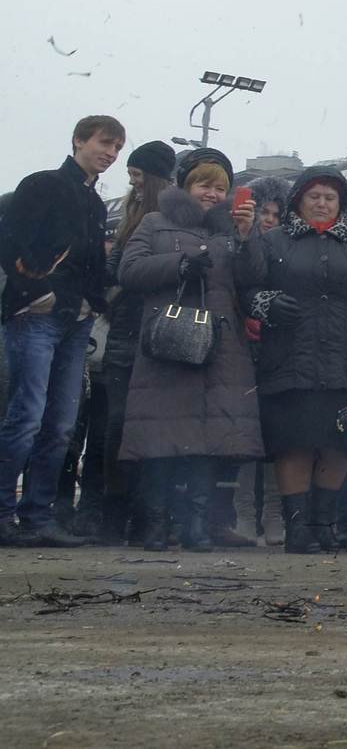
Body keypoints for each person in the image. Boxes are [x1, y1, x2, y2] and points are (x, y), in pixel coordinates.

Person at [115, 148, 264, 551]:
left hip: (219, 347)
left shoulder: (232, 231)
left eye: (221, 187)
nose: (213, 194)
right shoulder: (154, 222)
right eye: (204, 184)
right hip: (169, 344)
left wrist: (249, 238)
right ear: (185, 184)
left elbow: (254, 280)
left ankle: (196, 525)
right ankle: (155, 525)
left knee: (206, 442)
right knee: (161, 441)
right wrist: (180, 264)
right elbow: (128, 271)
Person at [232, 166, 347, 553]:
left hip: (342, 356)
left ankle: (323, 524)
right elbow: (247, 287)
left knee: (338, 442)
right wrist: (267, 304)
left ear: (342, 203)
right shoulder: (274, 240)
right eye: (314, 196)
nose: (322, 203)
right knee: (294, 442)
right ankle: (297, 529)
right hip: (289, 356)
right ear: (299, 200)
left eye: (330, 197)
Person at [0, 115, 125, 547]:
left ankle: (37, 517)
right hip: (35, 317)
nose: (110, 154)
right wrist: (34, 290)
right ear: (78, 140)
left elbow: (91, 264)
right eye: (104, 144)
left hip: (75, 322)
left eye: (116, 148)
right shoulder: (42, 184)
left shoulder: (94, 203)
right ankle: (4, 516)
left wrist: (93, 301)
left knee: (60, 424)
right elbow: (9, 241)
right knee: (27, 417)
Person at [91, 138, 173, 544]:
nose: (133, 182)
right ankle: (115, 510)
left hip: (156, 330)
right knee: (117, 422)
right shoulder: (131, 212)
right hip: (126, 328)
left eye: (138, 175)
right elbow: (118, 265)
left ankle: (143, 513)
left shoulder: (166, 216)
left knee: (143, 425)